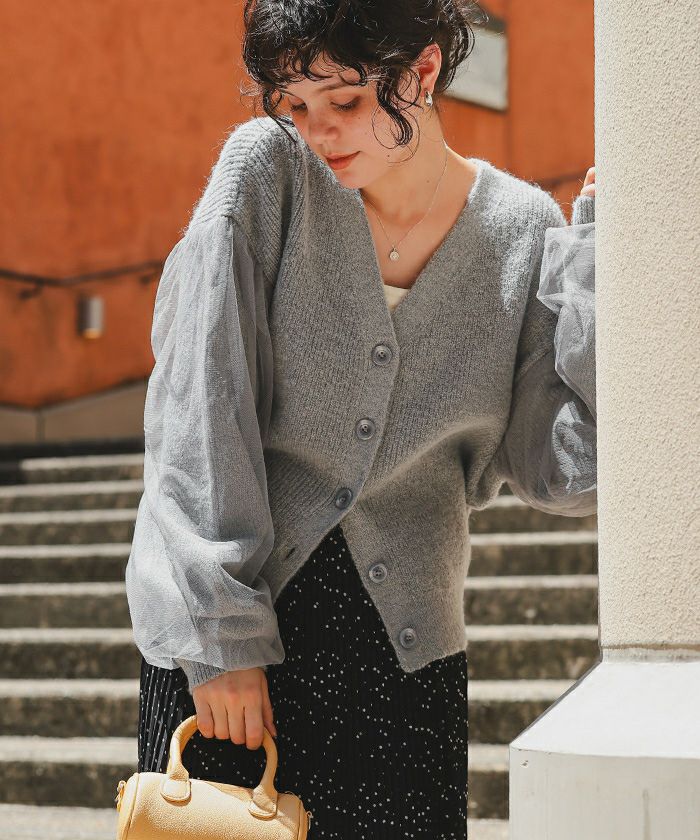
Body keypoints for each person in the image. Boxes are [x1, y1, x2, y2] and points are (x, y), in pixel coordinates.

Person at [128, 1, 597, 837]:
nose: (318, 132)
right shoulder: (267, 174)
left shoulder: (523, 232)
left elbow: (566, 470)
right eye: (296, 104)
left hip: (404, 662)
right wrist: (222, 638)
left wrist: (597, 267)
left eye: (344, 101)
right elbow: (198, 410)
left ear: (423, 72)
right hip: (237, 643)